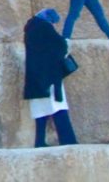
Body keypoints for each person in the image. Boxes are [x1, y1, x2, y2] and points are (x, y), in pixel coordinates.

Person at [22, 8, 75, 148]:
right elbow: (60, 45)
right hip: (49, 78)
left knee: (40, 112)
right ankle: (69, 141)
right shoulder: (45, 27)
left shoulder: (30, 28)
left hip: (35, 79)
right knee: (59, 109)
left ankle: (39, 142)